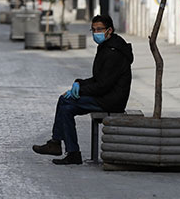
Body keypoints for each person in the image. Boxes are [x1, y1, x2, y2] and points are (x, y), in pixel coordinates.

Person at [32, 14, 133, 165]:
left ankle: (69, 151)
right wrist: (79, 83)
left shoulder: (113, 52)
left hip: (111, 100)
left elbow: (103, 85)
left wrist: (81, 90)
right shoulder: (107, 46)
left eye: (99, 29)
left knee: (66, 106)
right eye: (93, 30)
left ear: (109, 30)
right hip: (106, 95)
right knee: (64, 100)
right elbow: (99, 79)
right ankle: (57, 144)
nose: (96, 33)